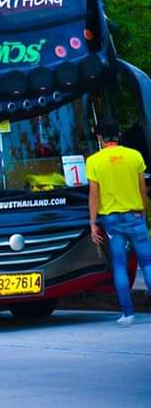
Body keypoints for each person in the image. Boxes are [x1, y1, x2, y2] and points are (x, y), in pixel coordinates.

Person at [88, 118, 151, 326]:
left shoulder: (94, 161)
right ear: (118, 135)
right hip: (135, 216)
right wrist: (142, 211)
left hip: (112, 221)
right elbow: (142, 188)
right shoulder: (135, 156)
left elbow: (94, 195)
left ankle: (128, 313)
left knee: (120, 265)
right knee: (148, 263)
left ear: (100, 137)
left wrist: (93, 223)